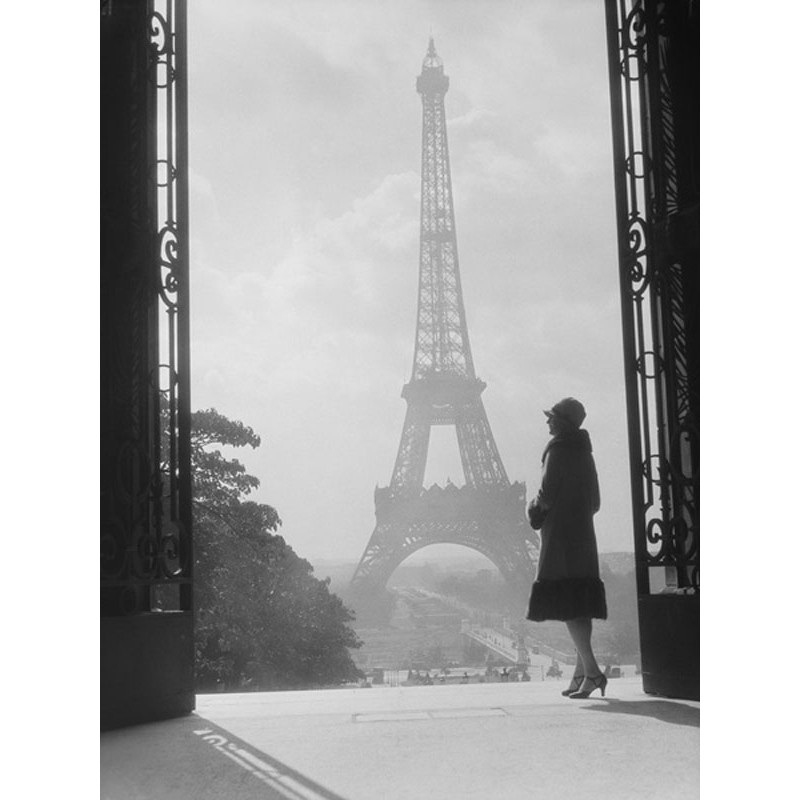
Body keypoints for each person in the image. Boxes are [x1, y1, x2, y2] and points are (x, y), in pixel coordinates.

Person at [525, 397, 608, 699]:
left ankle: (594, 672)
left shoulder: (557, 450)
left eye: (551, 417)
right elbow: (596, 501)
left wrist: (533, 510)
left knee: (569, 605)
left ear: (562, 422)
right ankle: (580, 674)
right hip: (583, 534)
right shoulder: (586, 454)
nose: (547, 421)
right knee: (579, 601)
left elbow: (545, 495)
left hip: (561, 536)